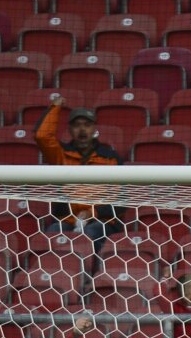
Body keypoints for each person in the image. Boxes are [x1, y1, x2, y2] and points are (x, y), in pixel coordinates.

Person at [35, 95, 125, 268]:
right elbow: (42, 136)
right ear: (69, 129)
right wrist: (55, 108)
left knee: (90, 234)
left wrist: (94, 213)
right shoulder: (61, 155)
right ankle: (54, 277)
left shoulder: (111, 159)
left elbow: (121, 200)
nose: (82, 130)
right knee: (53, 233)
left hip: (102, 221)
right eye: (76, 125)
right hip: (67, 219)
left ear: (94, 128)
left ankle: (87, 279)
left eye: (87, 125)